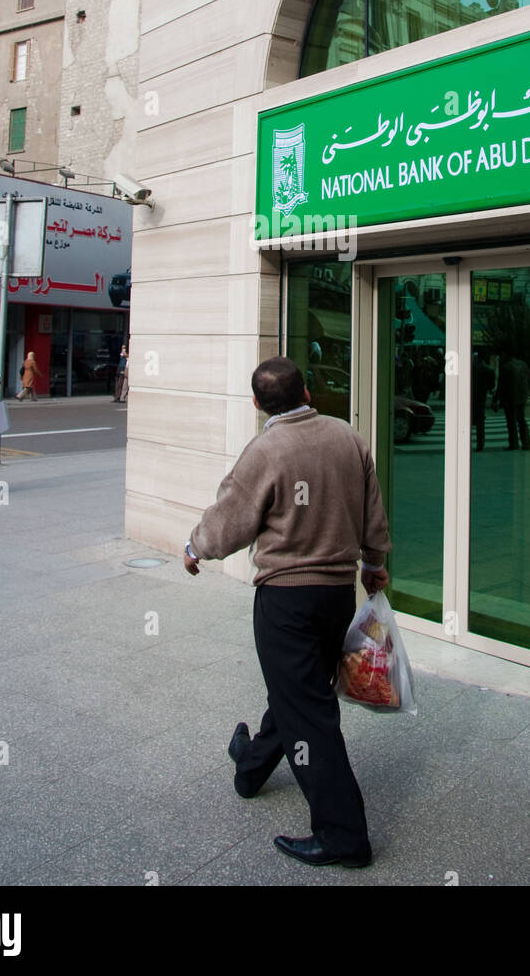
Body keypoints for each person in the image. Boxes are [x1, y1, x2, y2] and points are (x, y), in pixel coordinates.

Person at [184, 356, 391, 869]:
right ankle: (251, 765)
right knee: (297, 693)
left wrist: (194, 547)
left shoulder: (265, 449)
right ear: (308, 389)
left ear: (257, 404)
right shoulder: (347, 436)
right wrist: (375, 564)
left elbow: (230, 518)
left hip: (287, 600)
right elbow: (373, 509)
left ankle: (345, 837)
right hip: (336, 596)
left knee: (309, 713)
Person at [494, 349, 530, 451]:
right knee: (521, 420)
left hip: (510, 398)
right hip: (522, 396)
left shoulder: (505, 367)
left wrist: (496, 400)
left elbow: (501, 386)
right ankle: (527, 443)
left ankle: (514, 444)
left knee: (511, 422)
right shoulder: (523, 364)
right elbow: (529, 379)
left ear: (506, 355)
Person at [471, 350, 495, 451]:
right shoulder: (489, 370)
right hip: (481, 397)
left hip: (470, 396)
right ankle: (480, 444)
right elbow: (491, 386)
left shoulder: (470, 368)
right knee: (480, 422)